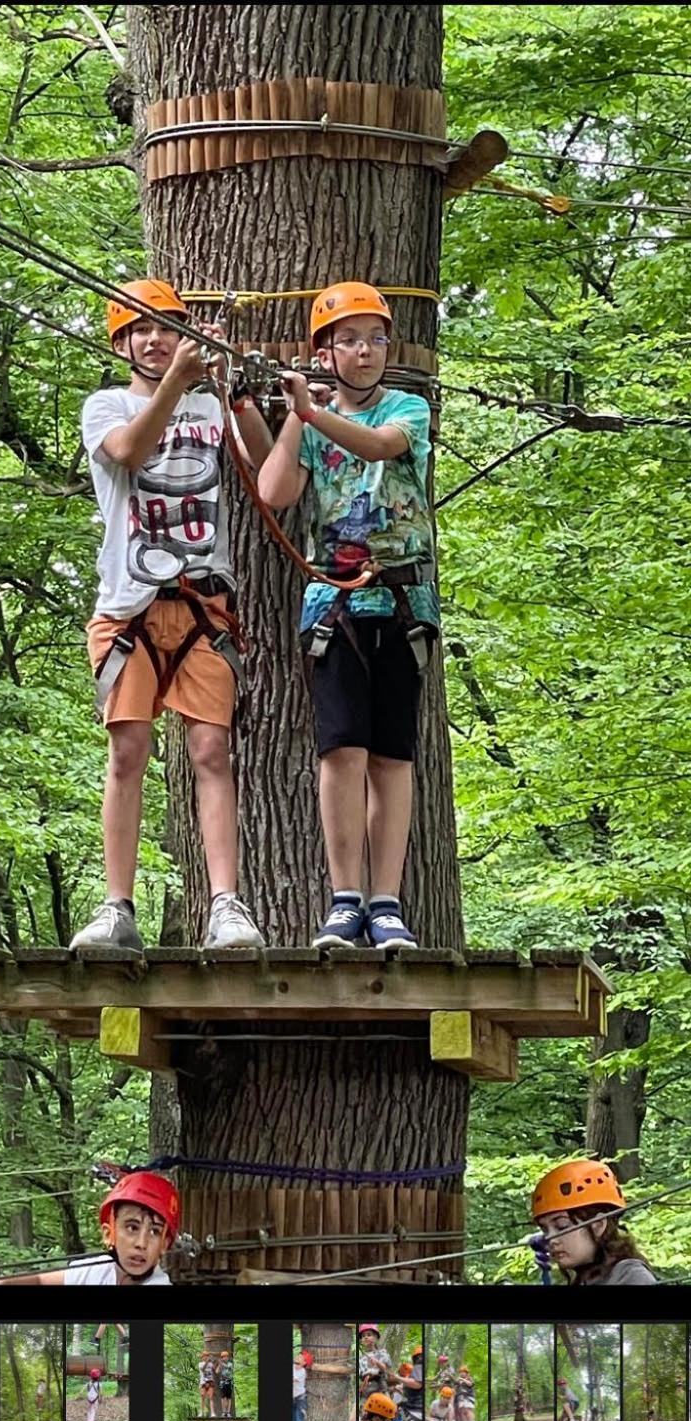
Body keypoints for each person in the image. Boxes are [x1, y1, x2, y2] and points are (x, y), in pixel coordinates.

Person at [70, 277, 273, 955]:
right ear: (121, 341)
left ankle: (226, 903)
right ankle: (117, 903)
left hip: (201, 604)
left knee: (211, 750)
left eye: (166, 327)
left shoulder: (208, 406)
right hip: (128, 605)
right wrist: (178, 383)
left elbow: (267, 470)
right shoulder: (105, 406)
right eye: (140, 329)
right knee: (128, 751)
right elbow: (129, 452)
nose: (155, 340)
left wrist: (233, 391)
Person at [257, 281, 437, 950]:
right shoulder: (311, 419)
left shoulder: (409, 409)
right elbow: (275, 492)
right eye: (349, 340)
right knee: (342, 749)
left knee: (392, 753)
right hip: (334, 601)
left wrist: (315, 410)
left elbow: (379, 446)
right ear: (325, 352)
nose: (365, 352)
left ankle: (386, 901)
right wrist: (293, 416)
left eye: (375, 339)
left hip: (399, 599)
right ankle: (346, 898)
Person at [0, 1171, 179, 1285]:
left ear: (165, 1244)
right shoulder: (98, 1270)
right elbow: (40, 1280)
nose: (141, 1243)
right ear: (108, 1233)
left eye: (154, 1231)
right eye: (132, 1227)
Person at [531, 1159, 657, 1284]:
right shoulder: (585, 1279)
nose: (551, 1239)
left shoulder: (631, 1276)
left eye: (561, 1226)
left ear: (598, 1225)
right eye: (545, 1229)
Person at [292, 1348, 312, 1421]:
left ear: (304, 1363)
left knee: (299, 1420)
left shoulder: (302, 1371)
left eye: (301, 1357)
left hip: (300, 1398)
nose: (298, 1357)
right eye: (298, 1355)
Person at [199, 1351, 217, 1418]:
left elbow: (214, 1371)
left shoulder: (211, 1364)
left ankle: (212, 1413)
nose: (206, 1357)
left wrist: (216, 1362)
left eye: (207, 1356)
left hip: (210, 1382)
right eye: (204, 1356)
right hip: (203, 1382)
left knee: (211, 1397)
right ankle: (201, 1412)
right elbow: (203, 1369)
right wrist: (207, 1362)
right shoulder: (200, 1364)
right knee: (202, 1397)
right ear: (202, 1357)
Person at [217, 1351, 235, 1419]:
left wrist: (221, 1363)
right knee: (223, 1398)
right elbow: (217, 1371)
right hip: (223, 1382)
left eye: (226, 1356)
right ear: (222, 1358)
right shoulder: (221, 1364)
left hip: (229, 1382)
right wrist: (219, 1365)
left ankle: (228, 1412)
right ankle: (224, 1412)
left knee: (229, 1398)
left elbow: (228, 1368)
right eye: (224, 1357)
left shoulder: (230, 1364)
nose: (225, 1358)